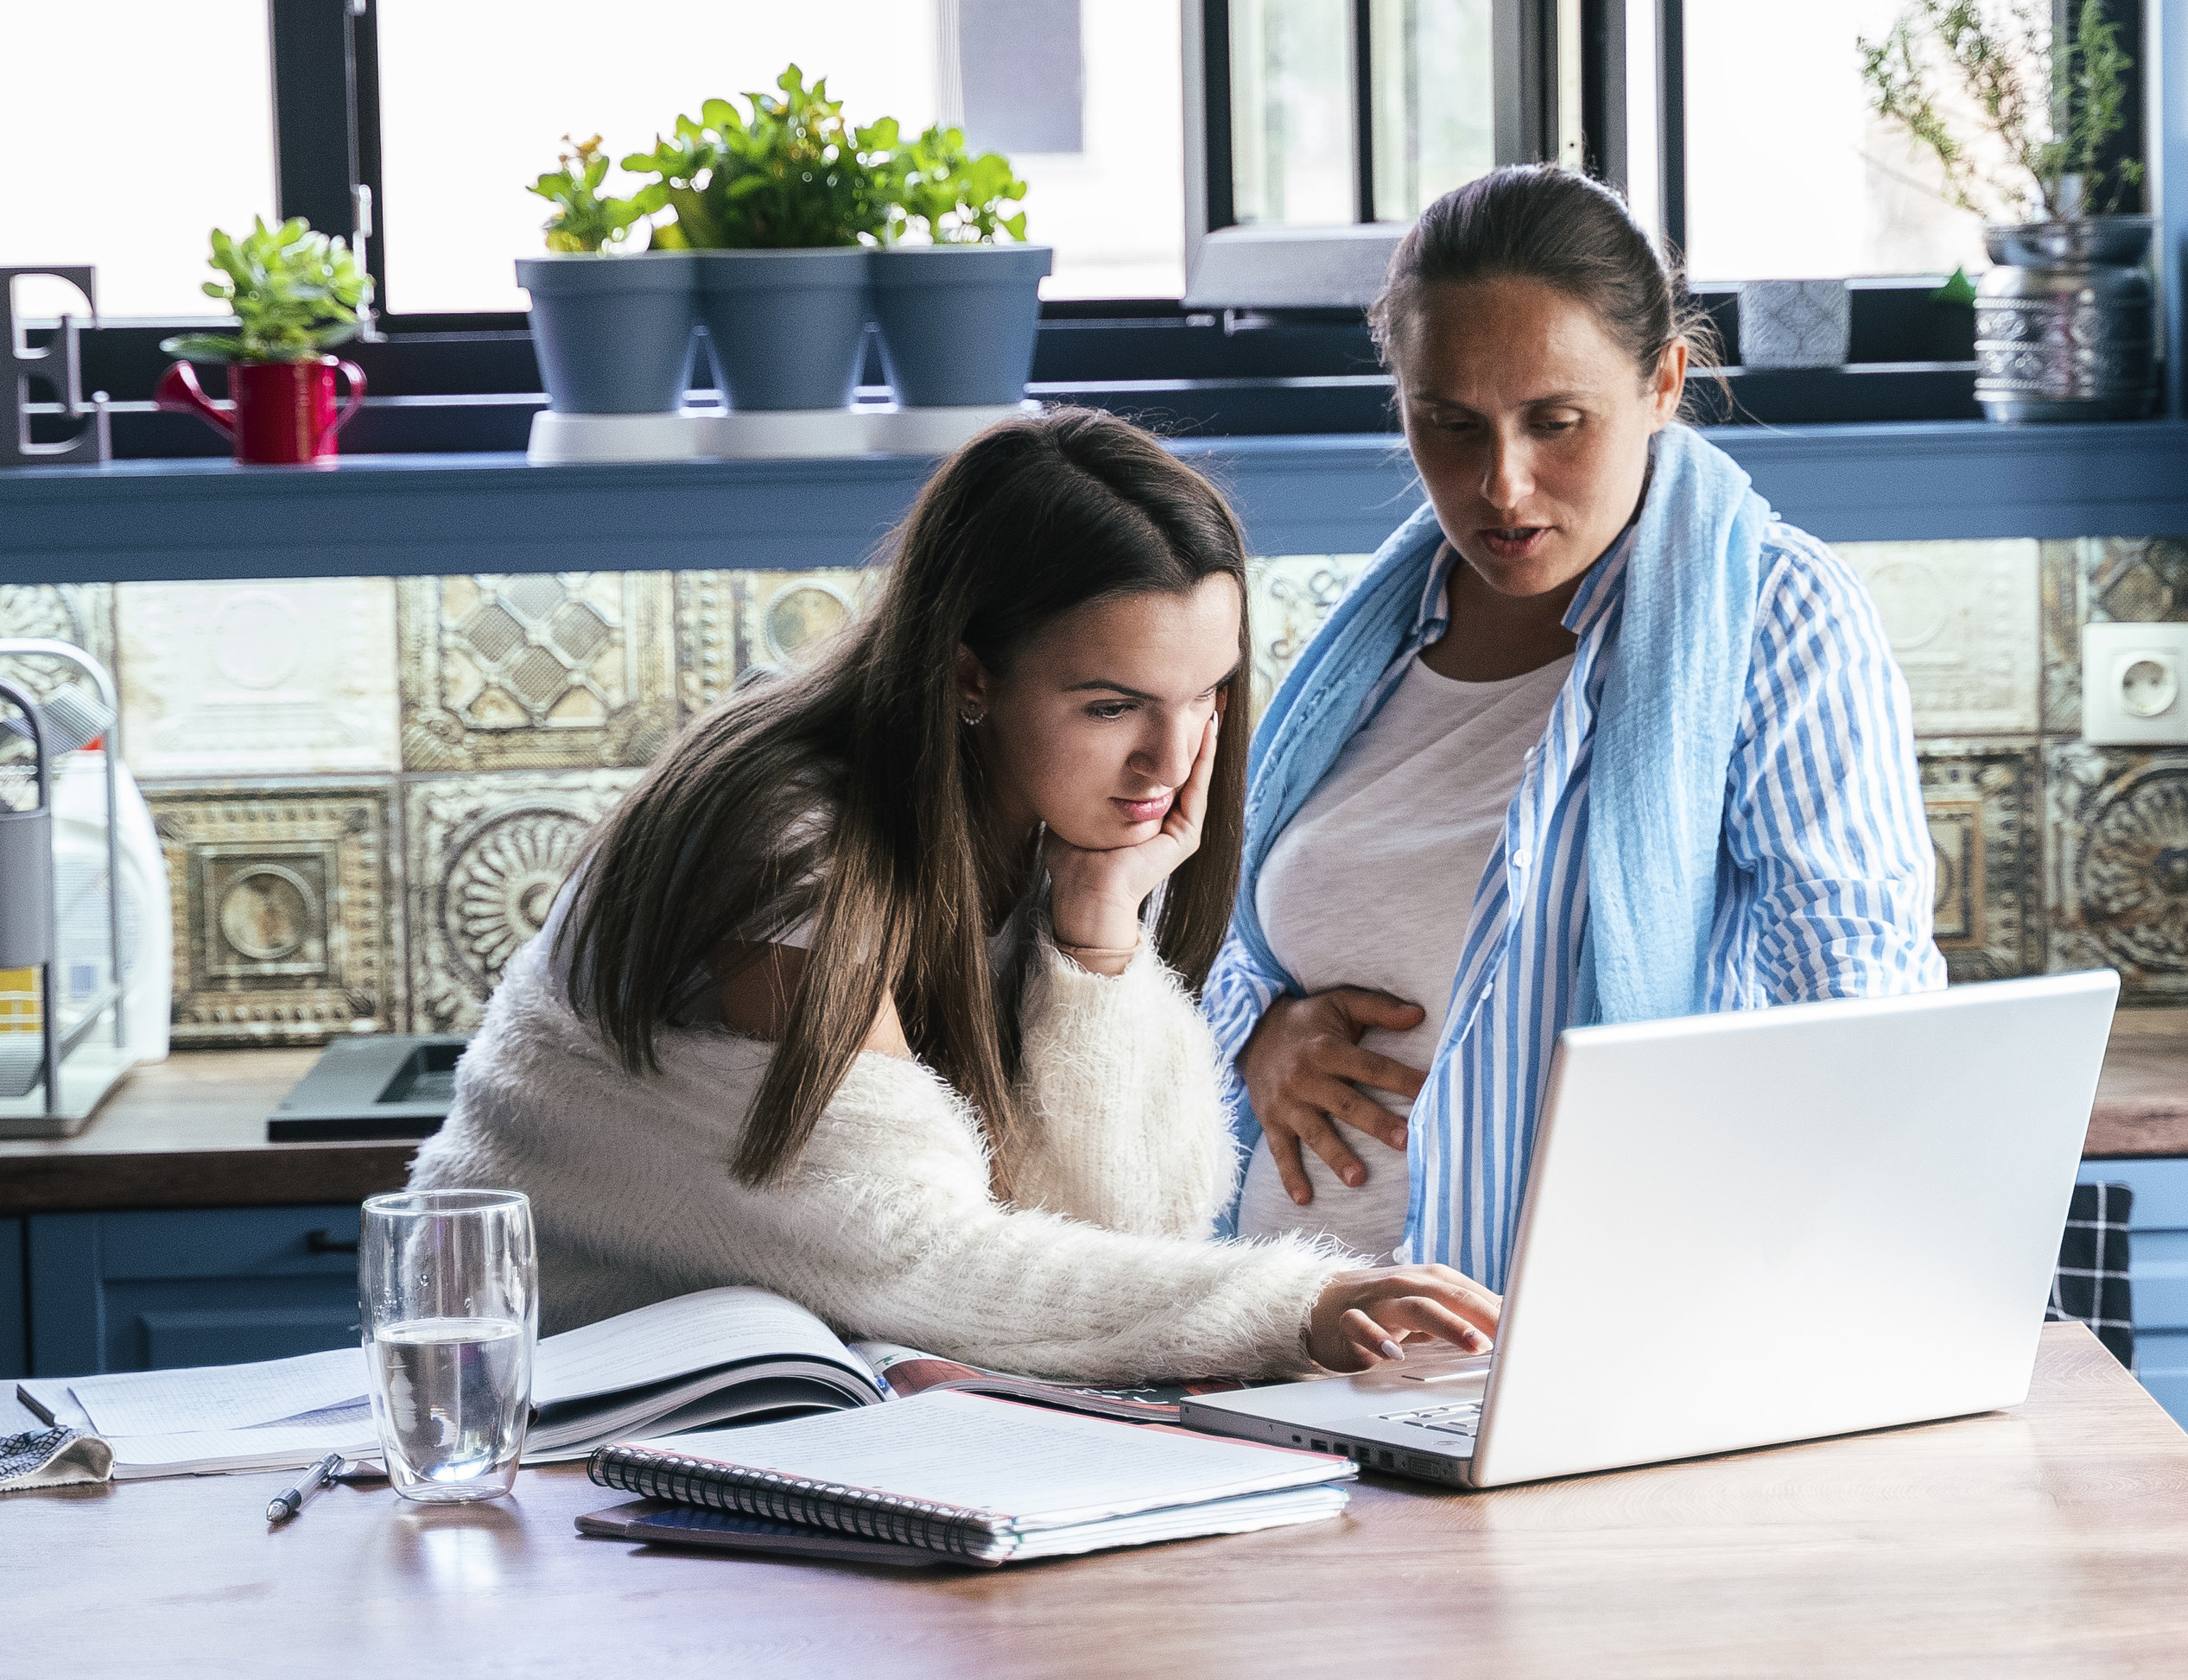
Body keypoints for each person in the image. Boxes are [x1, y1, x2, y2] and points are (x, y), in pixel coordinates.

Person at [409, 409, 1498, 1380]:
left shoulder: (1067, 829)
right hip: (541, 1408)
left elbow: (1125, 1219)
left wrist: (1099, 935)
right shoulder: (791, 854)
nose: (1171, 757)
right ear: (971, 675)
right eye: (1113, 704)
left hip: (783, 1405)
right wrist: (1292, 1303)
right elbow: (914, 1252)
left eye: (1205, 694)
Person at [1208, 167, 1946, 1285]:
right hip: (1275, 1344)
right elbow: (1213, 943)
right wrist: (1255, 1041)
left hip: (1566, 1356)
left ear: (1663, 382)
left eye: (1557, 422)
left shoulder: (1772, 617)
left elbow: (1857, 1031)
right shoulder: (1366, 636)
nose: (1503, 486)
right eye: (1449, 425)